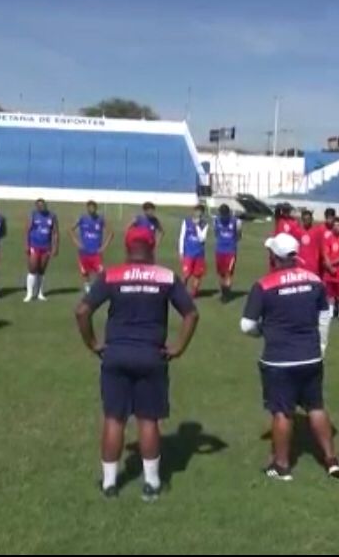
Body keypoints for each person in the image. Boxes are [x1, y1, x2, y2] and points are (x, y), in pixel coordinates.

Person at [75, 227, 199, 501]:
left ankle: (109, 484)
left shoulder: (111, 275)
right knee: (147, 419)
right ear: (152, 247)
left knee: (114, 419)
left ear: (127, 247)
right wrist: (178, 347)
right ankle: (152, 484)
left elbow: (82, 311)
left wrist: (93, 343)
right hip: (151, 356)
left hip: (116, 354)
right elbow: (191, 313)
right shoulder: (166, 276)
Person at [241, 233, 339, 481]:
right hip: (310, 356)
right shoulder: (315, 280)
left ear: (274, 257)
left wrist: (263, 332)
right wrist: (320, 345)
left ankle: (282, 465)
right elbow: (324, 315)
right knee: (316, 407)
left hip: (279, 360)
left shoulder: (263, 285)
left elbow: (247, 325)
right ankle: (331, 461)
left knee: (282, 412)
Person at [71, 200, 111, 293]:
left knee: (100, 272)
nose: (92, 209)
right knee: (85, 272)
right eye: (90, 207)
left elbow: (111, 233)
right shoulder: (82, 218)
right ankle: (87, 288)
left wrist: (104, 247)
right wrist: (77, 243)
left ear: (96, 208)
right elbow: (70, 230)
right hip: (84, 251)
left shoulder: (100, 219)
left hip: (96, 252)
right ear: (87, 208)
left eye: (93, 208)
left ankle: (100, 287)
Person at [24, 198, 58, 303]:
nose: (41, 207)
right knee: (33, 268)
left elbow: (55, 232)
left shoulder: (52, 216)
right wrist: (26, 245)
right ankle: (29, 294)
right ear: (36, 207)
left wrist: (55, 246)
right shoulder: (33, 215)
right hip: (34, 245)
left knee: (42, 269)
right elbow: (27, 230)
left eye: (43, 205)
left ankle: (40, 293)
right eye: (38, 205)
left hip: (46, 246)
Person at [213, 204, 242, 303]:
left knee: (228, 273)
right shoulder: (216, 220)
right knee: (221, 274)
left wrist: (232, 243)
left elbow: (238, 235)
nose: (223, 216)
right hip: (219, 250)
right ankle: (224, 292)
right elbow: (216, 233)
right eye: (222, 214)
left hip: (230, 251)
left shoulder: (236, 221)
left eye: (225, 214)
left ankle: (227, 295)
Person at [178, 204, 209, 297]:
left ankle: (193, 294)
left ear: (202, 213)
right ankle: (181, 293)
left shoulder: (205, 224)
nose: (198, 213)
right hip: (188, 253)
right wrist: (181, 251)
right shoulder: (186, 222)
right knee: (186, 275)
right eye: (196, 211)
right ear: (193, 211)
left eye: (200, 212)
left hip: (199, 253)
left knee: (197, 275)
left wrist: (197, 226)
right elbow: (182, 236)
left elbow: (202, 239)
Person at [298, 209, 324, 277]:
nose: (306, 221)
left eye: (308, 219)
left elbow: (322, 249)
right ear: (302, 220)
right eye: (304, 219)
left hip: (313, 267)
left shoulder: (317, 231)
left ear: (312, 219)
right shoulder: (298, 231)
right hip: (300, 267)